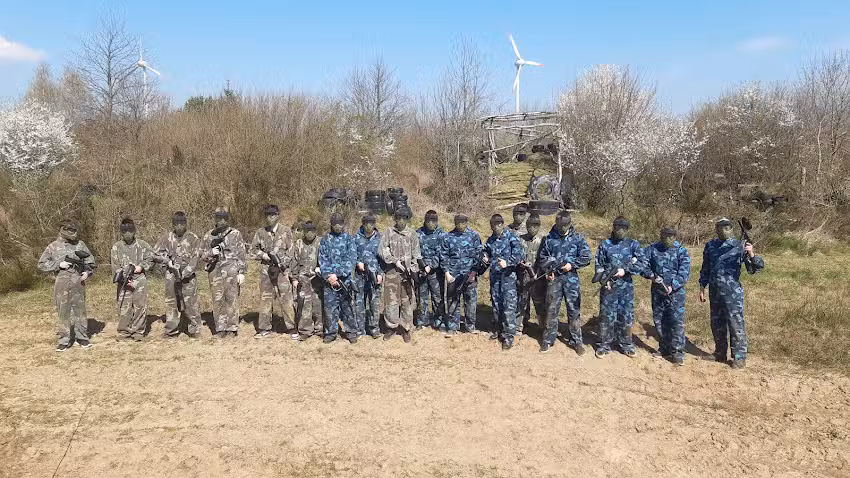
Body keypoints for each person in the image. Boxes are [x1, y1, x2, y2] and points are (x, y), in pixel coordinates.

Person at [699, 217, 765, 369]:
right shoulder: (710, 246)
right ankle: (720, 353)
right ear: (716, 229)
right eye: (721, 227)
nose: (724, 230)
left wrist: (751, 253)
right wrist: (702, 287)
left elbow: (754, 269)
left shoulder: (739, 245)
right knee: (717, 323)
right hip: (715, 292)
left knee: (736, 324)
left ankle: (739, 357)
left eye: (727, 227)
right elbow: (705, 268)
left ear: (731, 229)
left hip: (733, 293)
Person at [38, 219, 97, 351]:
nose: (73, 233)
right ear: (63, 230)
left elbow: (90, 262)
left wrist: (87, 273)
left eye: (74, 231)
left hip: (78, 281)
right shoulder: (53, 246)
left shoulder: (80, 244)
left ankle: (82, 337)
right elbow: (41, 264)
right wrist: (58, 264)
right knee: (63, 311)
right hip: (62, 283)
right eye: (71, 230)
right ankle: (64, 340)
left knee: (80, 310)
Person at [538, 211, 592, 354]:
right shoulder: (549, 239)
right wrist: (548, 270)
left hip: (571, 279)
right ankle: (548, 339)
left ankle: (576, 341)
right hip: (554, 278)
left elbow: (587, 256)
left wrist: (572, 265)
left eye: (565, 225)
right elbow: (542, 258)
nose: (562, 228)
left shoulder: (577, 239)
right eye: (560, 225)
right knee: (551, 310)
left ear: (569, 224)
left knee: (574, 310)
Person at [593, 216, 644, 359]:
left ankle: (626, 344)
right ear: (613, 228)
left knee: (626, 315)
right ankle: (604, 344)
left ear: (627, 229)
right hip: (608, 286)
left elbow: (642, 263)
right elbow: (599, 264)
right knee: (606, 316)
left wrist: (625, 270)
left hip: (626, 287)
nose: (620, 231)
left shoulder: (633, 245)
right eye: (618, 228)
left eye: (623, 228)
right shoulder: (605, 244)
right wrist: (604, 280)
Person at [642, 227, 691, 365]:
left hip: (676, 294)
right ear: (661, 235)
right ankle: (664, 349)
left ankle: (677, 353)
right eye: (665, 236)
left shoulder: (681, 250)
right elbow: (642, 265)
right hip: (657, 291)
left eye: (671, 236)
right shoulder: (652, 249)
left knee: (676, 322)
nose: (668, 239)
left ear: (675, 237)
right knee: (659, 320)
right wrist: (651, 276)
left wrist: (672, 286)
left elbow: (685, 272)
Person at [153, 211, 203, 338]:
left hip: (188, 276)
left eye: (182, 223)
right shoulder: (167, 238)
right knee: (171, 303)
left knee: (190, 302)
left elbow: (196, 258)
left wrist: (185, 272)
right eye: (176, 223)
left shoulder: (193, 238)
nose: (179, 226)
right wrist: (167, 262)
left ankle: (194, 329)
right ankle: (171, 330)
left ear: (185, 223)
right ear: (173, 224)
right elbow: (155, 254)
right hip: (171, 275)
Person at [250, 204, 296, 339]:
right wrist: (263, 255)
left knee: (286, 299)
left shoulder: (286, 231)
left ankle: (292, 328)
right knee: (265, 299)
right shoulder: (260, 232)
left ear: (277, 215)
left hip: (282, 271)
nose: (270, 217)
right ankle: (264, 328)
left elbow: (291, 251)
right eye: (268, 215)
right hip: (266, 270)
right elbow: (253, 250)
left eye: (273, 215)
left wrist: (282, 263)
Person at [201, 207, 247, 338]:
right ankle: (220, 328)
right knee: (217, 299)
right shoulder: (209, 235)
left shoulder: (235, 234)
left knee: (231, 299)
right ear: (215, 219)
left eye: (224, 218)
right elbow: (201, 254)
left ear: (228, 219)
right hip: (214, 271)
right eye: (219, 218)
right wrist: (210, 253)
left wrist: (242, 272)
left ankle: (232, 328)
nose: (221, 221)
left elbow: (241, 253)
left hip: (231, 271)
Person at [378, 206, 421, 343]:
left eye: (404, 218)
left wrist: (413, 270)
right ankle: (391, 327)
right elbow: (382, 249)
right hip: (392, 273)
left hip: (406, 274)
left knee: (407, 301)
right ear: (395, 219)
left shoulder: (412, 234)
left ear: (407, 219)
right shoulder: (388, 232)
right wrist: (394, 261)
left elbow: (416, 254)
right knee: (391, 301)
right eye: (399, 218)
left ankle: (406, 328)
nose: (401, 221)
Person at [483, 214, 524, 350]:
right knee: (496, 304)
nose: (495, 228)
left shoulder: (511, 237)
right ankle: (499, 330)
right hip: (495, 277)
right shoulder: (491, 239)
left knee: (508, 306)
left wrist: (508, 262)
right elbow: (486, 251)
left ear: (501, 224)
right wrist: (485, 257)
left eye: (497, 225)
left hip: (508, 278)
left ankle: (509, 336)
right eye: (493, 225)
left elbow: (519, 255)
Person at [111, 218, 154, 341]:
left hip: (139, 279)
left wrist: (141, 267)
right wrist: (122, 278)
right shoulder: (116, 247)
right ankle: (124, 332)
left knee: (140, 306)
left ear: (134, 230)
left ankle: (138, 332)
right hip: (123, 281)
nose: (127, 233)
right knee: (124, 307)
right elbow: (115, 267)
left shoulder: (143, 245)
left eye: (130, 230)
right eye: (125, 231)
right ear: (121, 232)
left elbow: (151, 258)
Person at [319, 212, 358, 343]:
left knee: (348, 307)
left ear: (343, 224)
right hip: (329, 282)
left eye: (340, 223)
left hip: (345, 281)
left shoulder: (349, 239)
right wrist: (329, 277)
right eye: (335, 223)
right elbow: (322, 260)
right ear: (331, 224)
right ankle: (330, 333)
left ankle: (351, 332)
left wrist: (338, 274)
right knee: (330, 309)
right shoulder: (325, 240)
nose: (337, 226)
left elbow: (351, 259)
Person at [441, 214, 483, 335]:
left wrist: (474, 272)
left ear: (466, 222)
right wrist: (447, 273)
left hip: (470, 274)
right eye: (457, 223)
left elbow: (479, 255)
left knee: (470, 301)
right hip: (453, 275)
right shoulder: (448, 237)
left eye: (462, 223)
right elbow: (444, 256)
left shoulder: (474, 236)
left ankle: (470, 326)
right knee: (452, 301)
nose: (460, 225)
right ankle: (453, 327)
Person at [290, 221, 323, 341]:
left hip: (317, 279)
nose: (310, 233)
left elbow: (326, 258)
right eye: (307, 231)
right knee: (304, 305)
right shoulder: (299, 243)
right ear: (304, 232)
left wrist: (322, 268)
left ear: (315, 231)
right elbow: (294, 261)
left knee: (318, 304)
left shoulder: (321, 242)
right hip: (302, 279)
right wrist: (294, 278)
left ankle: (320, 329)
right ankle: (305, 330)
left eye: (312, 231)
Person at [354, 213, 383, 338]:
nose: (368, 226)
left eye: (371, 223)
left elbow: (383, 259)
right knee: (359, 303)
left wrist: (380, 274)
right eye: (366, 223)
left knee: (374, 303)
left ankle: (374, 328)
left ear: (374, 224)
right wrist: (358, 262)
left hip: (374, 276)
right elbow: (351, 254)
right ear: (363, 224)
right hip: (360, 276)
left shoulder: (380, 238)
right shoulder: (356, 237)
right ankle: (360, 329)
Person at [517, 214, 546, 335]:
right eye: (530, 226)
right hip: (523, 276)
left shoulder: (543, 240)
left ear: (539, 227)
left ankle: (543, 327)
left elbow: (546, 258)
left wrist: (539, 272)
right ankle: (520, 327)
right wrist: (519, 262)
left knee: (539, 303)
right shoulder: (520, 239)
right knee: (522, 302)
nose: (532, 228)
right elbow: (516, 254)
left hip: (538, 277)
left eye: (535, 226)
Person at [415, 210, 444, 330]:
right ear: (425, 221)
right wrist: (421, 266)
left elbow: (441, 253)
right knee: (421, 297)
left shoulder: (442, 235)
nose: (431, 223)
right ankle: (422, 320)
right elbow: (415, 251)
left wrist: (430, 266)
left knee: (437, 297)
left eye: (433, 221)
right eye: (428, 221)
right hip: (421, 270)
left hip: (436, 272)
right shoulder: (418, 233)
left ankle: (439, 320)